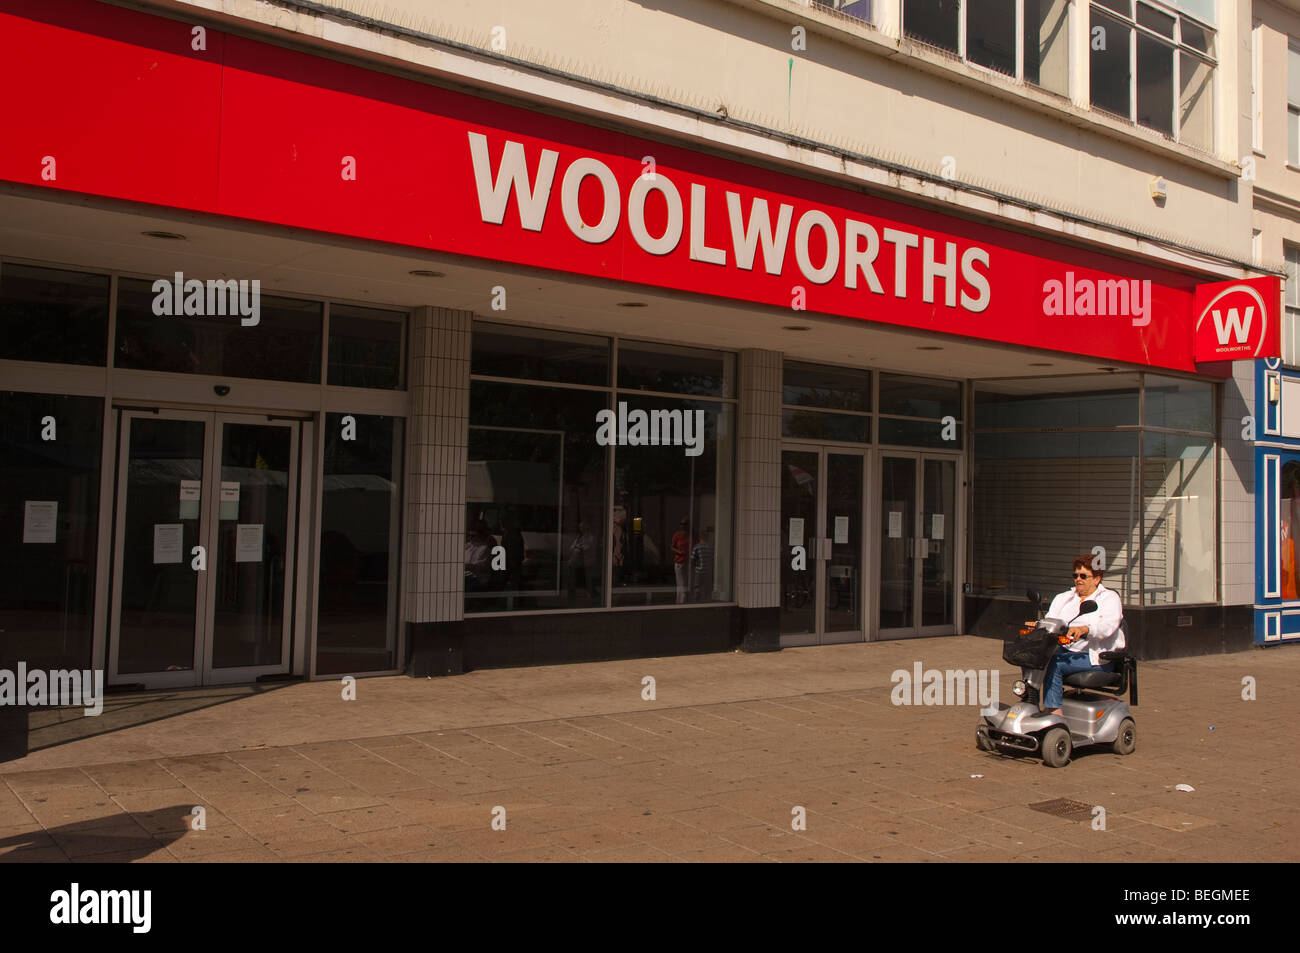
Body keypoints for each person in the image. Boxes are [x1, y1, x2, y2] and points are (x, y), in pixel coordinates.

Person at [1040, 555, 1125, 715]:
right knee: (1034, 658)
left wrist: (1086, 629)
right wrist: (1039, 625)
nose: (1078, 579)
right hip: (1066, 651)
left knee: (1055, 663)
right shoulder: (1064, 598)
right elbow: (1051, 620)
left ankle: (1054, 712)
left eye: (1083, 576)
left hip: (1096, 657)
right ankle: (1028, 704)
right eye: (1076, 575)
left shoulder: (1109, 598)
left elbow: (1108, 626)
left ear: (1097, 579)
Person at [691, 527, 714, 602]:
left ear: (700, 537)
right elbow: (713, 559)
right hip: (708, 571)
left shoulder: (697, 547)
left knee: (697, 587)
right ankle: (706, 602)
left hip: (699, 571)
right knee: (707, 588)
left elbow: (692, 559)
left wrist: (694, 567)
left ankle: (696, 602)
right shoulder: (711, 547)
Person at [671, 518, 691, 604]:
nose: (683, 526)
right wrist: (679, 552)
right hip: (679, 561)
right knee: (680, 583)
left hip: (688, 562)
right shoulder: (677, 535)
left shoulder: (690, 535)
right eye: (682, 524)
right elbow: (672, 547)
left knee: (686, 582)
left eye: (685, 524)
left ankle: (683, 601)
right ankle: (680, 602)